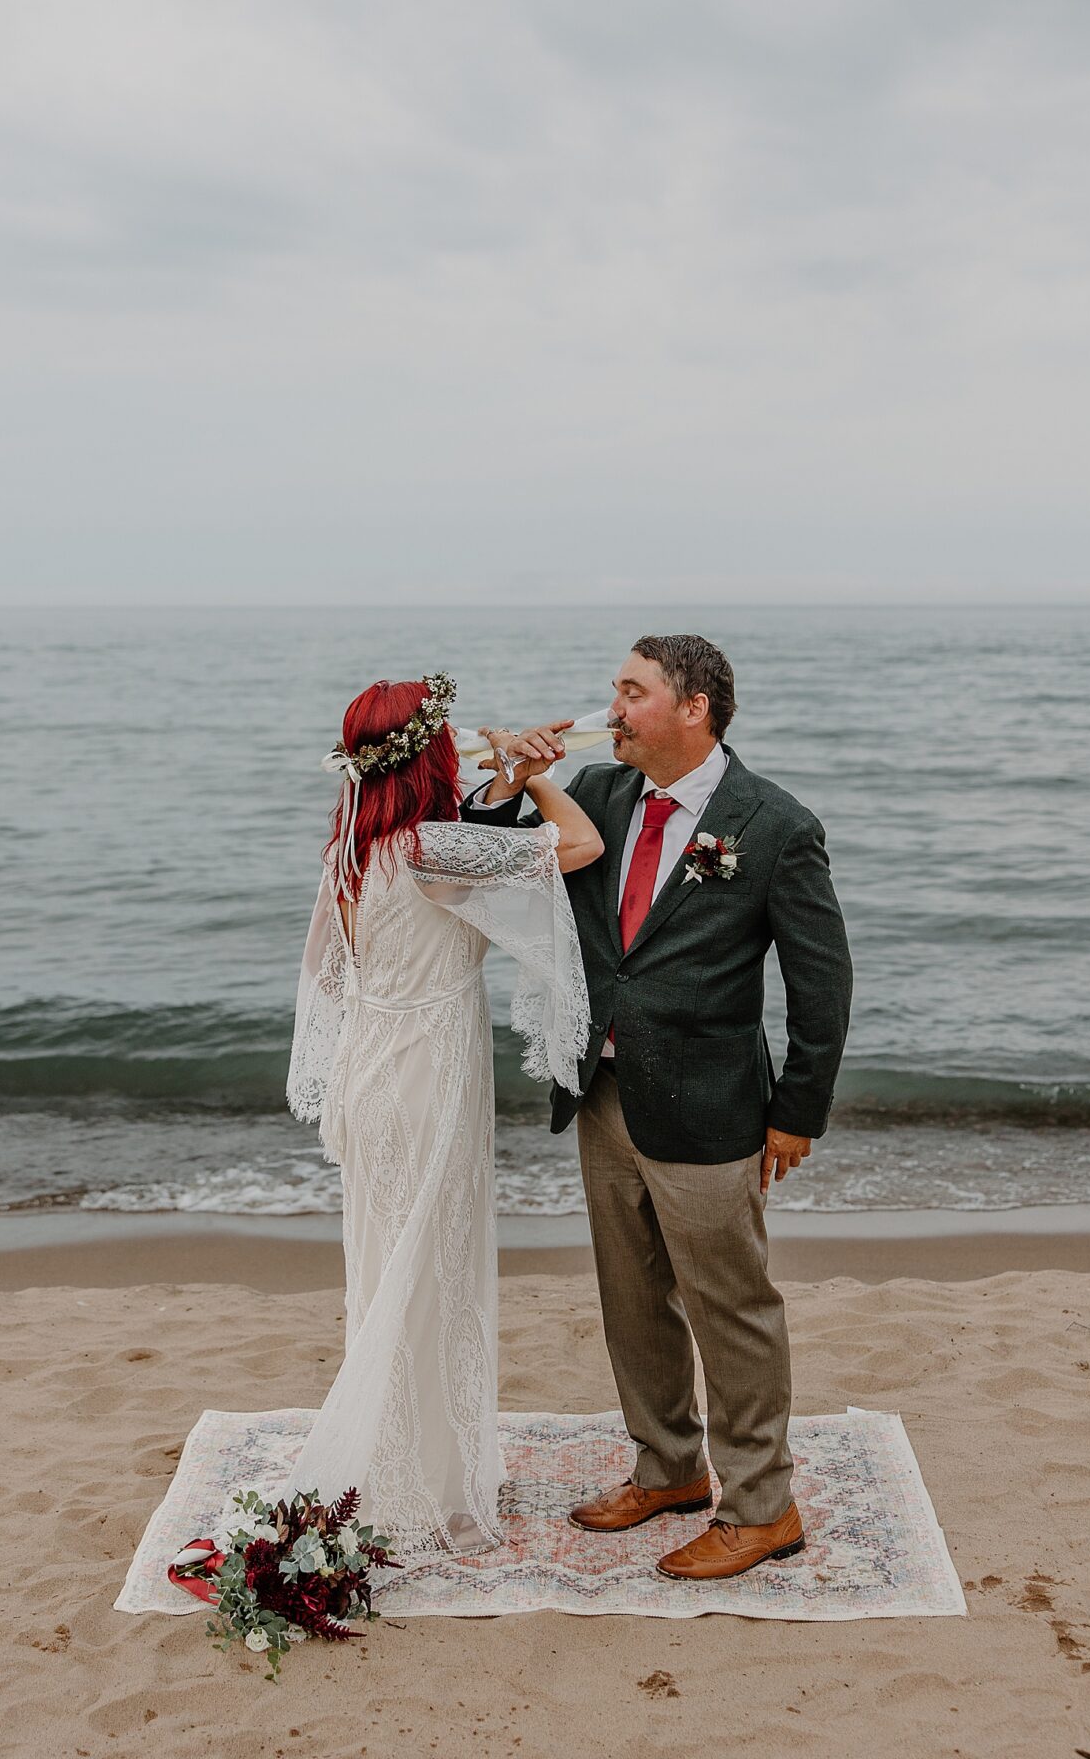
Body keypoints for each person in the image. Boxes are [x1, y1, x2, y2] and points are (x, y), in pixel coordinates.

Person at [466, 632, 853, 1582]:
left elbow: (822, 982)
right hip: (602, 1094)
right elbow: (489, 851)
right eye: (615, 690)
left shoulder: (774, 824)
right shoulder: (597, 792)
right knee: (632, 1299)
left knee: (732, 1309)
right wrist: (515, 777)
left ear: (694, 707)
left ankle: (762, 1508)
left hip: (712, 1107)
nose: (613, 710)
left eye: (632, 692)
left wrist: (797, 1112)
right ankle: (670, 1469)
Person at [285, 673, 599, 1555]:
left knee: (392, 1275)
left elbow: (329, 971)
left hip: (371, 1073)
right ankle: (430, 1487)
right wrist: (539, 778)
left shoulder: (355, 848)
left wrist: (505, 776)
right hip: (428, 1082)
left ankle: (405, 1466)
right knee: (436, 1277)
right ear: (427, 756)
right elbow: (580, 843)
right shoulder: (431, 849)